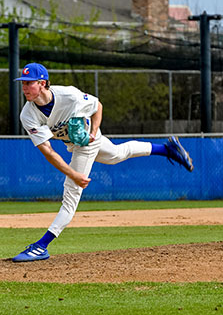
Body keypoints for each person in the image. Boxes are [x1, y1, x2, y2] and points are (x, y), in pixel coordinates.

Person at [10, 62, 194, 262]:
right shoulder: (28, 114)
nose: (25, 87)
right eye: (23, 83)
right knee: (116, 154)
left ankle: (41, 246)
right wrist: (73, 173)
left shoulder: (69, 95)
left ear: (43, 83)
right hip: (74, 145)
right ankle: (167, 149)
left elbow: (97, 105)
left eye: (29, 83)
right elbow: (47, 150)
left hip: (87, 144)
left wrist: (94, 132)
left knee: (70, 195)